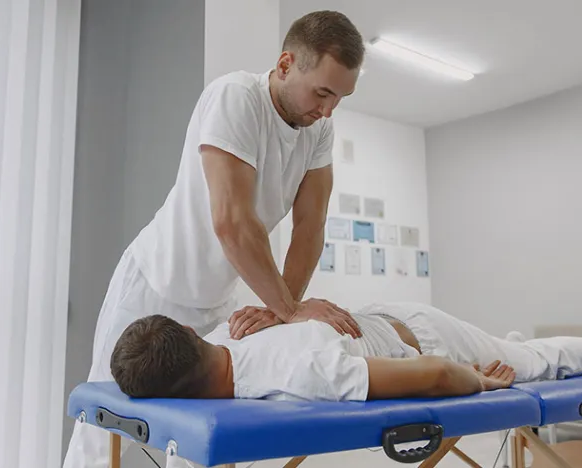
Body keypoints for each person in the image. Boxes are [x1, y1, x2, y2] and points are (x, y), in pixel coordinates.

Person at [63, 10, 368, 468]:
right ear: (286, 64)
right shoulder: (236, 98)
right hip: (154, 287)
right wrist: (289, 309)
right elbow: (232, 222)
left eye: (340, 98)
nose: (328, 110)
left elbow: (310, 228)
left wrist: (280, 311)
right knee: (103, 434)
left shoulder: (319, 129)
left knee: (205, 443)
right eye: (322, 92)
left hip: (216, 305)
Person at [110, 302, 582, 402]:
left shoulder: (302, 372)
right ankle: (505, 348)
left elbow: (436, 376)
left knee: (535, 366)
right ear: (189, 332)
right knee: (506, 352)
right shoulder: (224, 335)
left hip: (425, 338)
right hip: (378, 324)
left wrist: (480, 382)